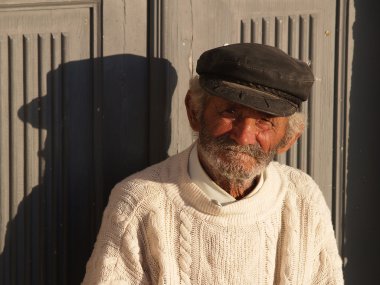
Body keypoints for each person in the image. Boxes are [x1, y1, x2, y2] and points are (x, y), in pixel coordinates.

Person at [82, 43, 344, 284]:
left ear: (288, 139)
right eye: (230, 112)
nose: (243, 136)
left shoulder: (303, 197)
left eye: (264, 120)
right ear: (194, 113)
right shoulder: (140, 202)